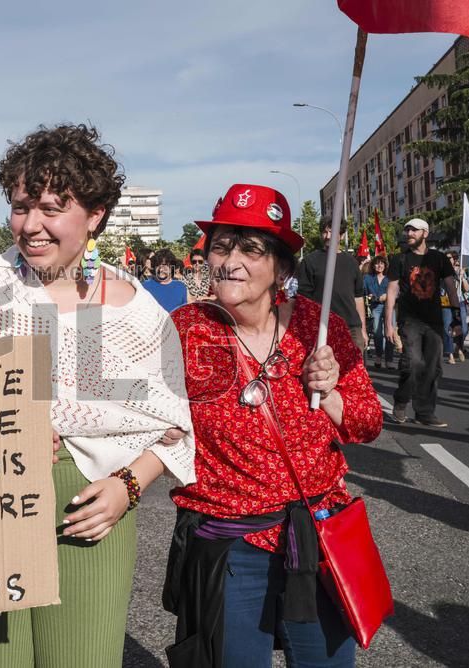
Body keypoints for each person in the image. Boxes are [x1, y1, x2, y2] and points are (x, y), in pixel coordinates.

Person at [0, 123, 195, 668]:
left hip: (90, 507)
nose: (32, 225)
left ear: (94, 215)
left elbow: (174, 423)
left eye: (51, 207)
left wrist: (129, 487)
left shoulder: (133, 309)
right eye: (21, 207)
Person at [164, 183, 382, 667]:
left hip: (318, 542)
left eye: (251, 249)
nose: (230, 260)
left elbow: (368, 424)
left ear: (281, 268)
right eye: (220, 246)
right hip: (228, 544)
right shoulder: (183, 329)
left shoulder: (315, 326)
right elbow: (130, 414)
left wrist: (331, 395)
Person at [385, 218, 462, 427]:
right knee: (413, 363)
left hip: (434, 321)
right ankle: (400, 402)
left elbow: (451, 288)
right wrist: (388, 324)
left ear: (425, 233)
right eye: (407, 230)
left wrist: (456, 318)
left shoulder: (439, 259)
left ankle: (425, 412)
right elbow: (391, 292)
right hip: (410, 320)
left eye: (414, 230)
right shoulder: (399, 259)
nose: (409, 233)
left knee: (433, 367)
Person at [296, 216, 368, 350]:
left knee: (355, 369)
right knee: (324, 369)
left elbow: (358, 297)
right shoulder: (310, 262)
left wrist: (363, 329)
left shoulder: (351, 263)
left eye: (332, 232)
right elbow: (303, 299)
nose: (328, 236)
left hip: (351, 327)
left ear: (341, 235)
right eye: (324, 232)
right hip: (322, 328)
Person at [363, 255, 394, 368]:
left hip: (389, 307)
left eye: (382, 263)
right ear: (373, 265)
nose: (379, 265)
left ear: (385, 265)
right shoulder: (367, 278)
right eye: (377, 263)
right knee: (377, 333)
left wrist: (388, 296)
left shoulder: (390, 278)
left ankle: (389, 360)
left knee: (389, 334)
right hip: (374, 307)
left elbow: (397, 292)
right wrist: (369, 297)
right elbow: (362, 293)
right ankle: (378, 356)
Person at [143, 248, 189, 312]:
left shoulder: (181, 286)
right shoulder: (145, 286)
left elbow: (183, 312)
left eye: (164, 266)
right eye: (158, 266)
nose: (161, 269)